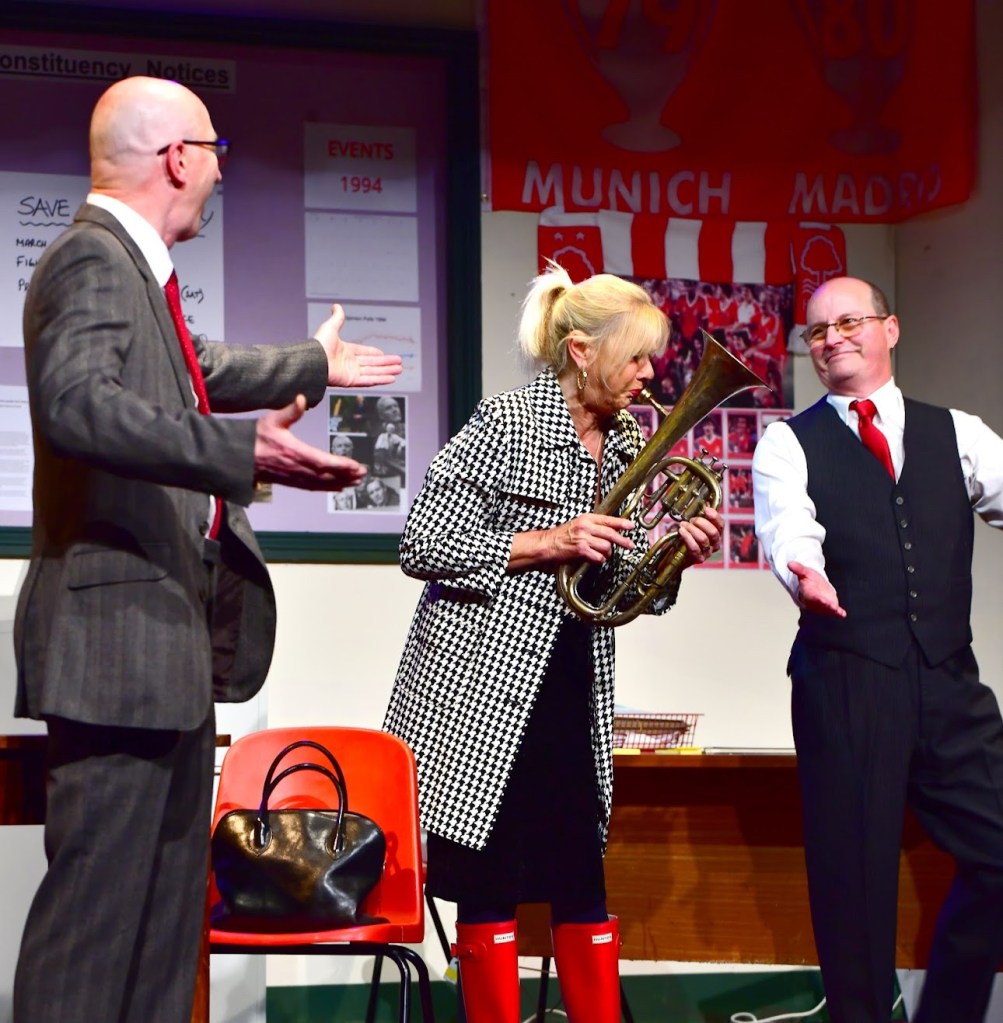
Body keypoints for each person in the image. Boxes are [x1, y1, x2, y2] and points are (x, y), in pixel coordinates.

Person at [11, 75, 401, 1023]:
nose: (223, 171)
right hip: (113, 653)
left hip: (161, 653)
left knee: (158, 938)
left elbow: (199, 370)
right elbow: (76, 404)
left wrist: (311, 364)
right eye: (216, 150)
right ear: (178, 159)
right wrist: (239, 449)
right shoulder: (93, 258)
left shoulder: (136, 273)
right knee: (96, 932)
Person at [383, 263, 723, 1023]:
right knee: (488, 887)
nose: (649, 373)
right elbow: (421, 541)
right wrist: (548, 540)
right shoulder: (506, 421)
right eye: (635, 357)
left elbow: (619, 584)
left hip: (571, 690)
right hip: (480, 703)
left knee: (580, 884)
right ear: (580, 351)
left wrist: (674, 556)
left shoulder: (629, 438)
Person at [752, 276, 1003, 1023]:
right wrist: (804, 572)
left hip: (947, 682)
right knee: (853, 890)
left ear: (888, 330)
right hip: (846, 680)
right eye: (817, 330)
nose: (832, 338)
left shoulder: (956, 432)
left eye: (848, 322)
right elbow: (787, 525)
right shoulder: (787, 441)